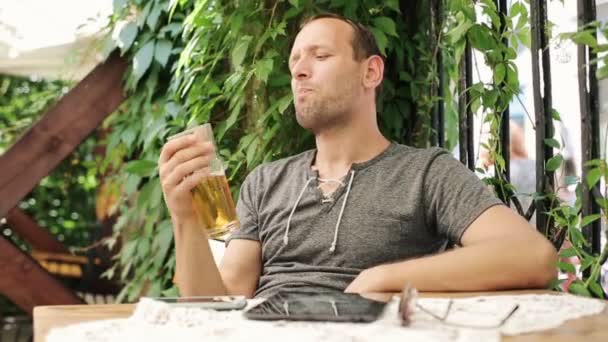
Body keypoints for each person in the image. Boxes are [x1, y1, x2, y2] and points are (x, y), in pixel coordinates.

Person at [158, 13, 558, 298]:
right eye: (295, 61)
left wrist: (383, 278)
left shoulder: (425, 173)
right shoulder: (265, 181)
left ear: (371, 73)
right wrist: (184, 218)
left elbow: (532, 256)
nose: (299, 71)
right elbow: (220, 301)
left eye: (319, 56)